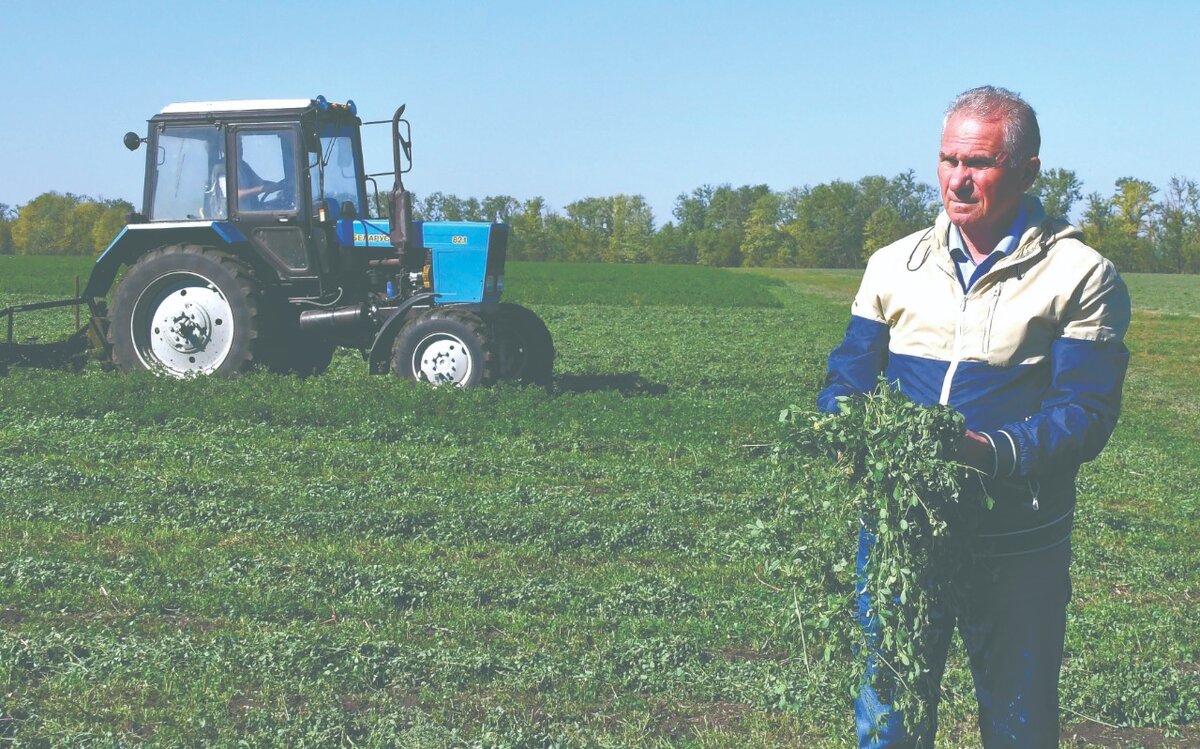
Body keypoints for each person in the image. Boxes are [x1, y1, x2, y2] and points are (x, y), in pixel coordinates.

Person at [818, 85, 1131, 748]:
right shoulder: (893, 264)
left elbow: (1085, 411)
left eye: (980, 162)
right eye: (948, 158)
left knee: (1018, 722)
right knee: (889, 719)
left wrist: (988, 451)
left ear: (1027, 170)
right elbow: (849, 375)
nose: (957, 178)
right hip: (903, 534)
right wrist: (842, 428)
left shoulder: (1081, 275)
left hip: (1016, 540)